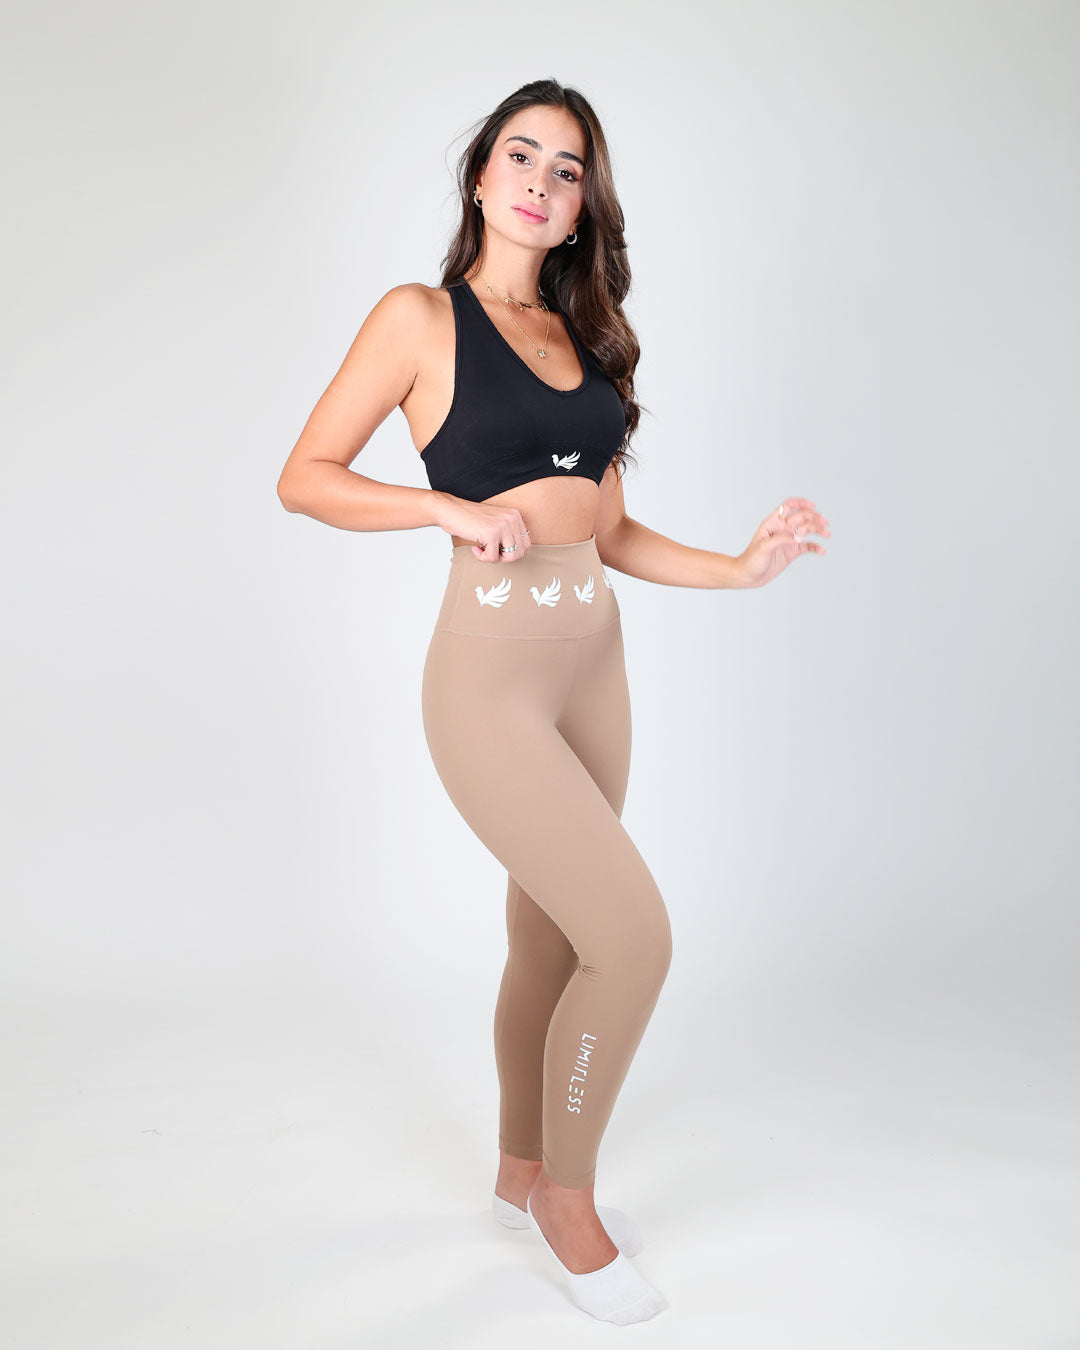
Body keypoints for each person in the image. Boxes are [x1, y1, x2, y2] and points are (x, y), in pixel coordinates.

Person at [277, 78, 830, 1326]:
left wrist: (742, 566)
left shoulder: (591, 343)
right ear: (480, 177)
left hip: (595, 669)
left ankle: (520, 1171)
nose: (540, 180)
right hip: (492, 679)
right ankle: (572, 1207)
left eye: (567, 168)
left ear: (583, 206)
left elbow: (613, 532)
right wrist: (443, 507)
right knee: (636, 941)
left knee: (558, 940)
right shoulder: (419, 318)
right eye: (520, 155)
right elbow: (303, 476)